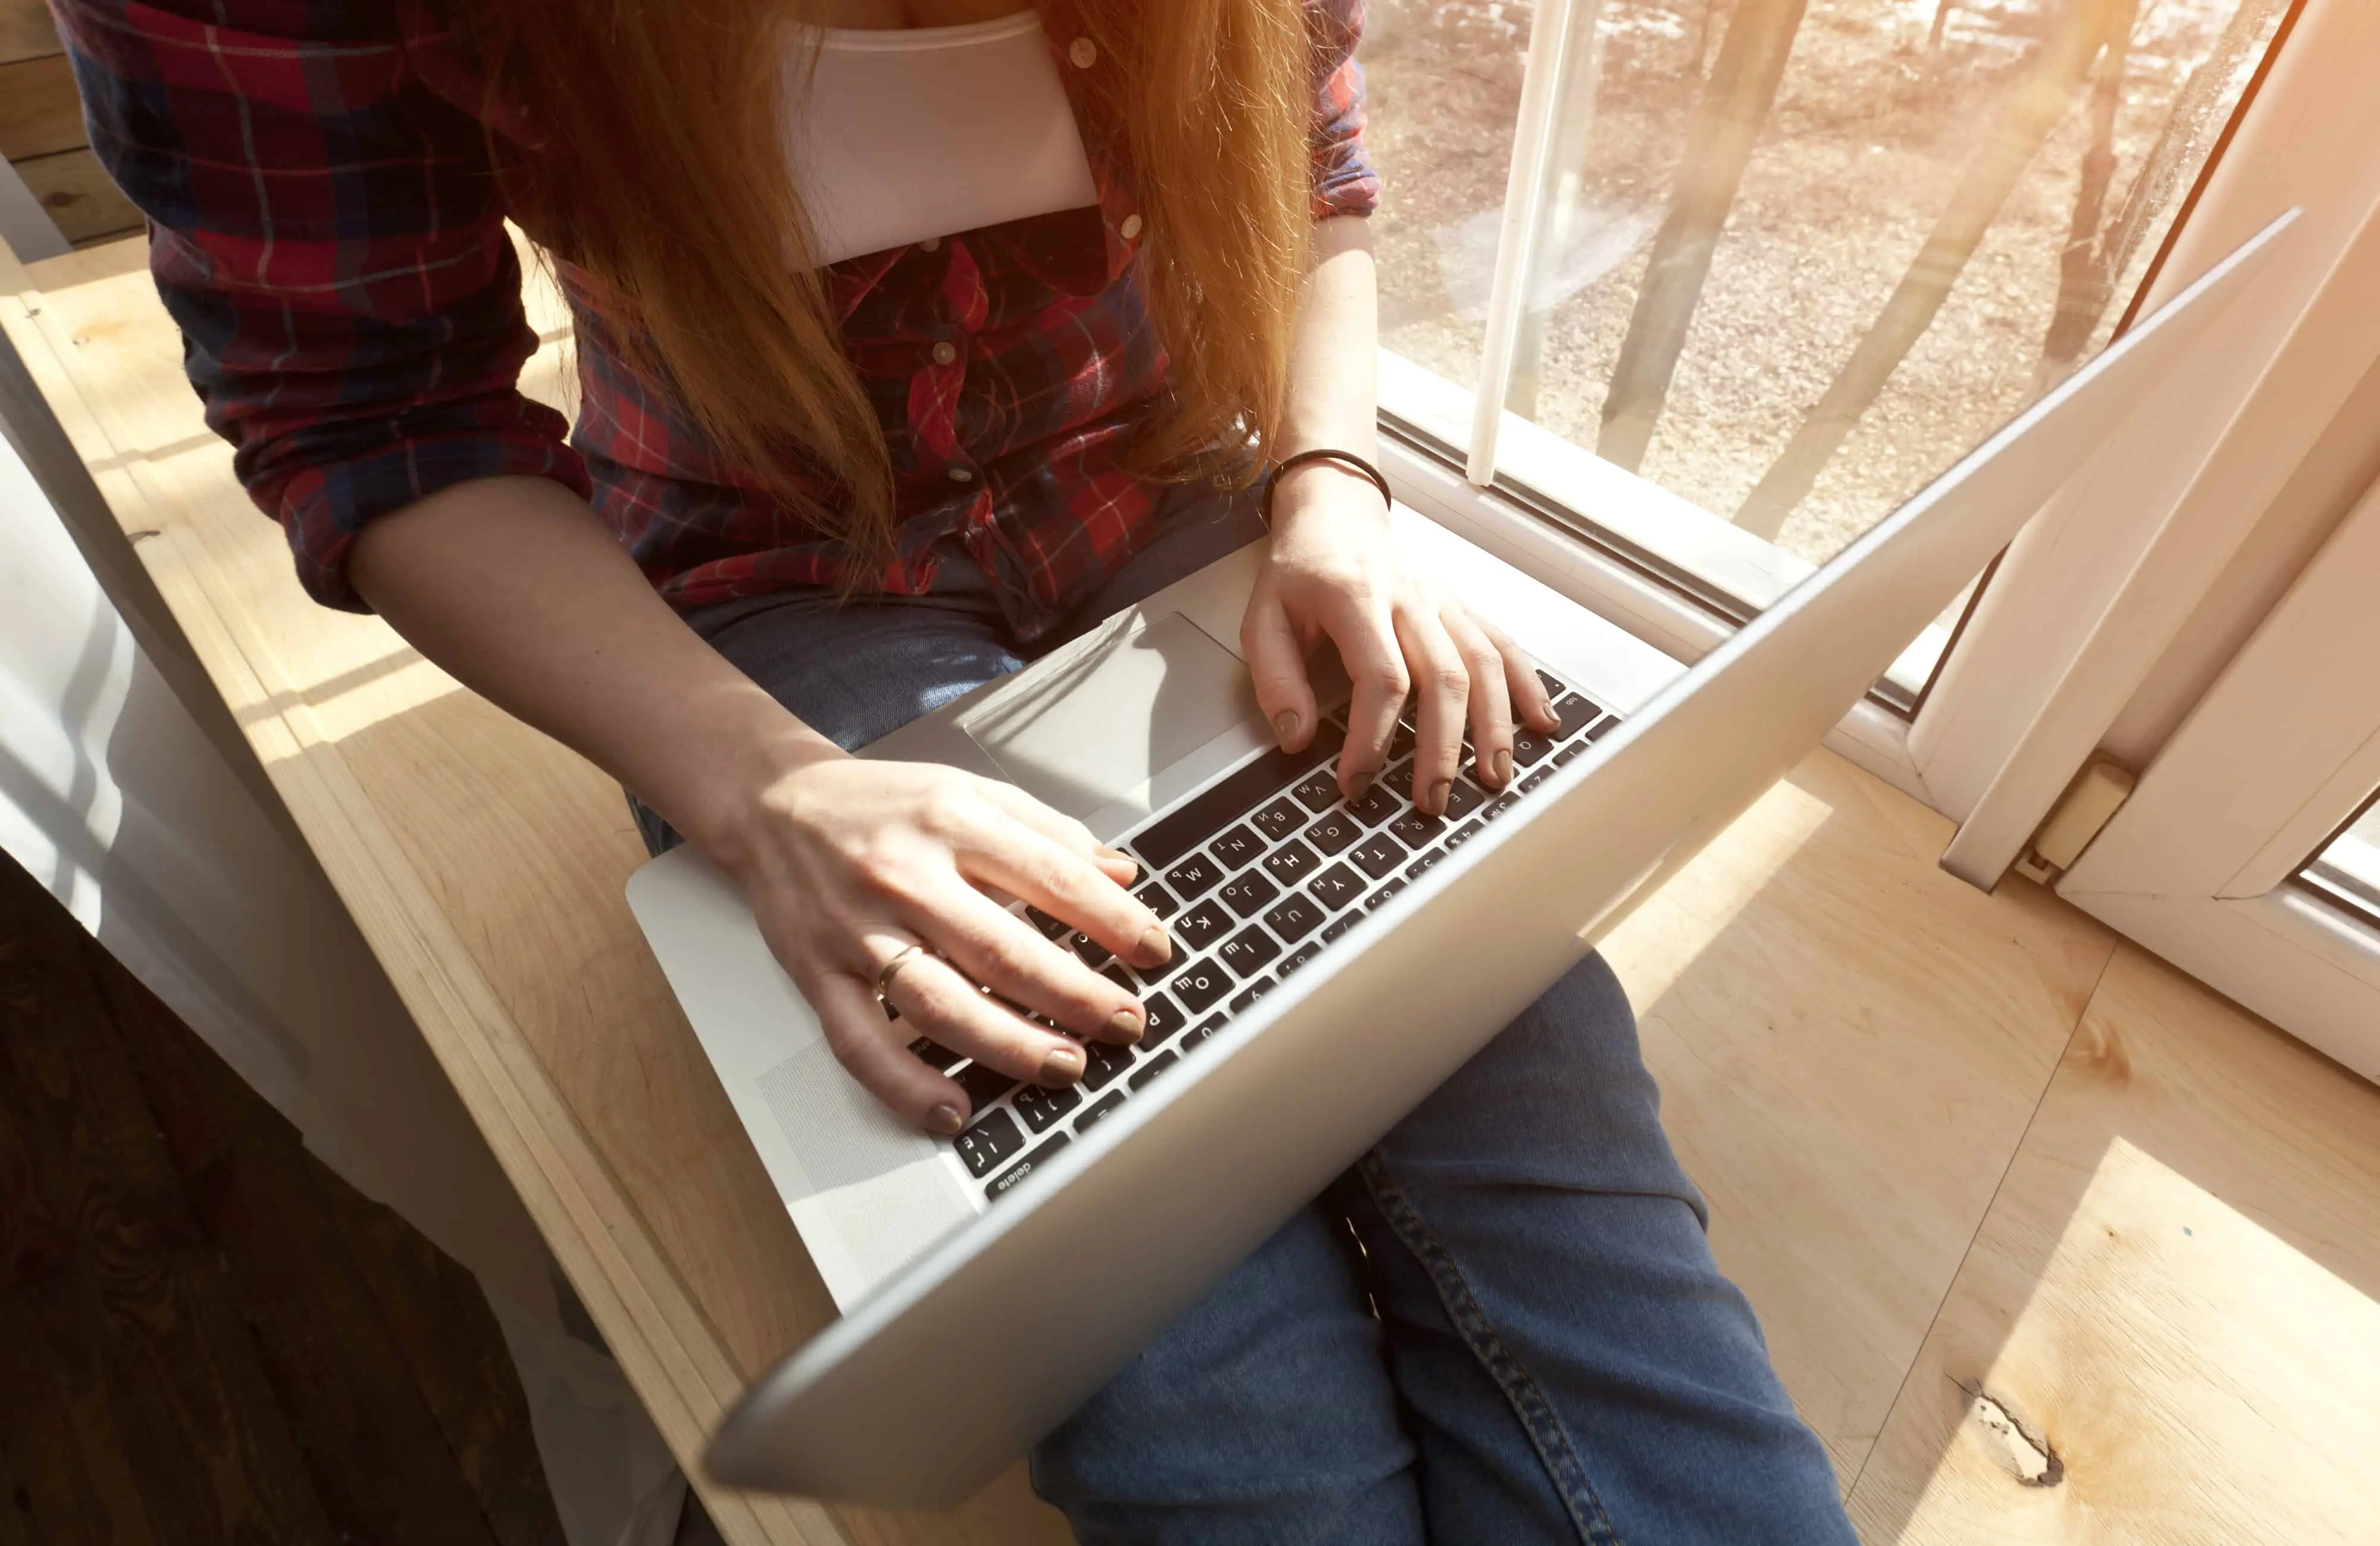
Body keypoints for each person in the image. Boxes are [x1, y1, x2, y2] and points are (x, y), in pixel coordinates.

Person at [59, 0, 1857, 1539]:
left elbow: (1312, 161)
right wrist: (766, 787)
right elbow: (375, 415)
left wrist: (1332, 483)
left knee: (1560, 1160)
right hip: (768, 575)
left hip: (1185, 499)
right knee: (1208, 1389)